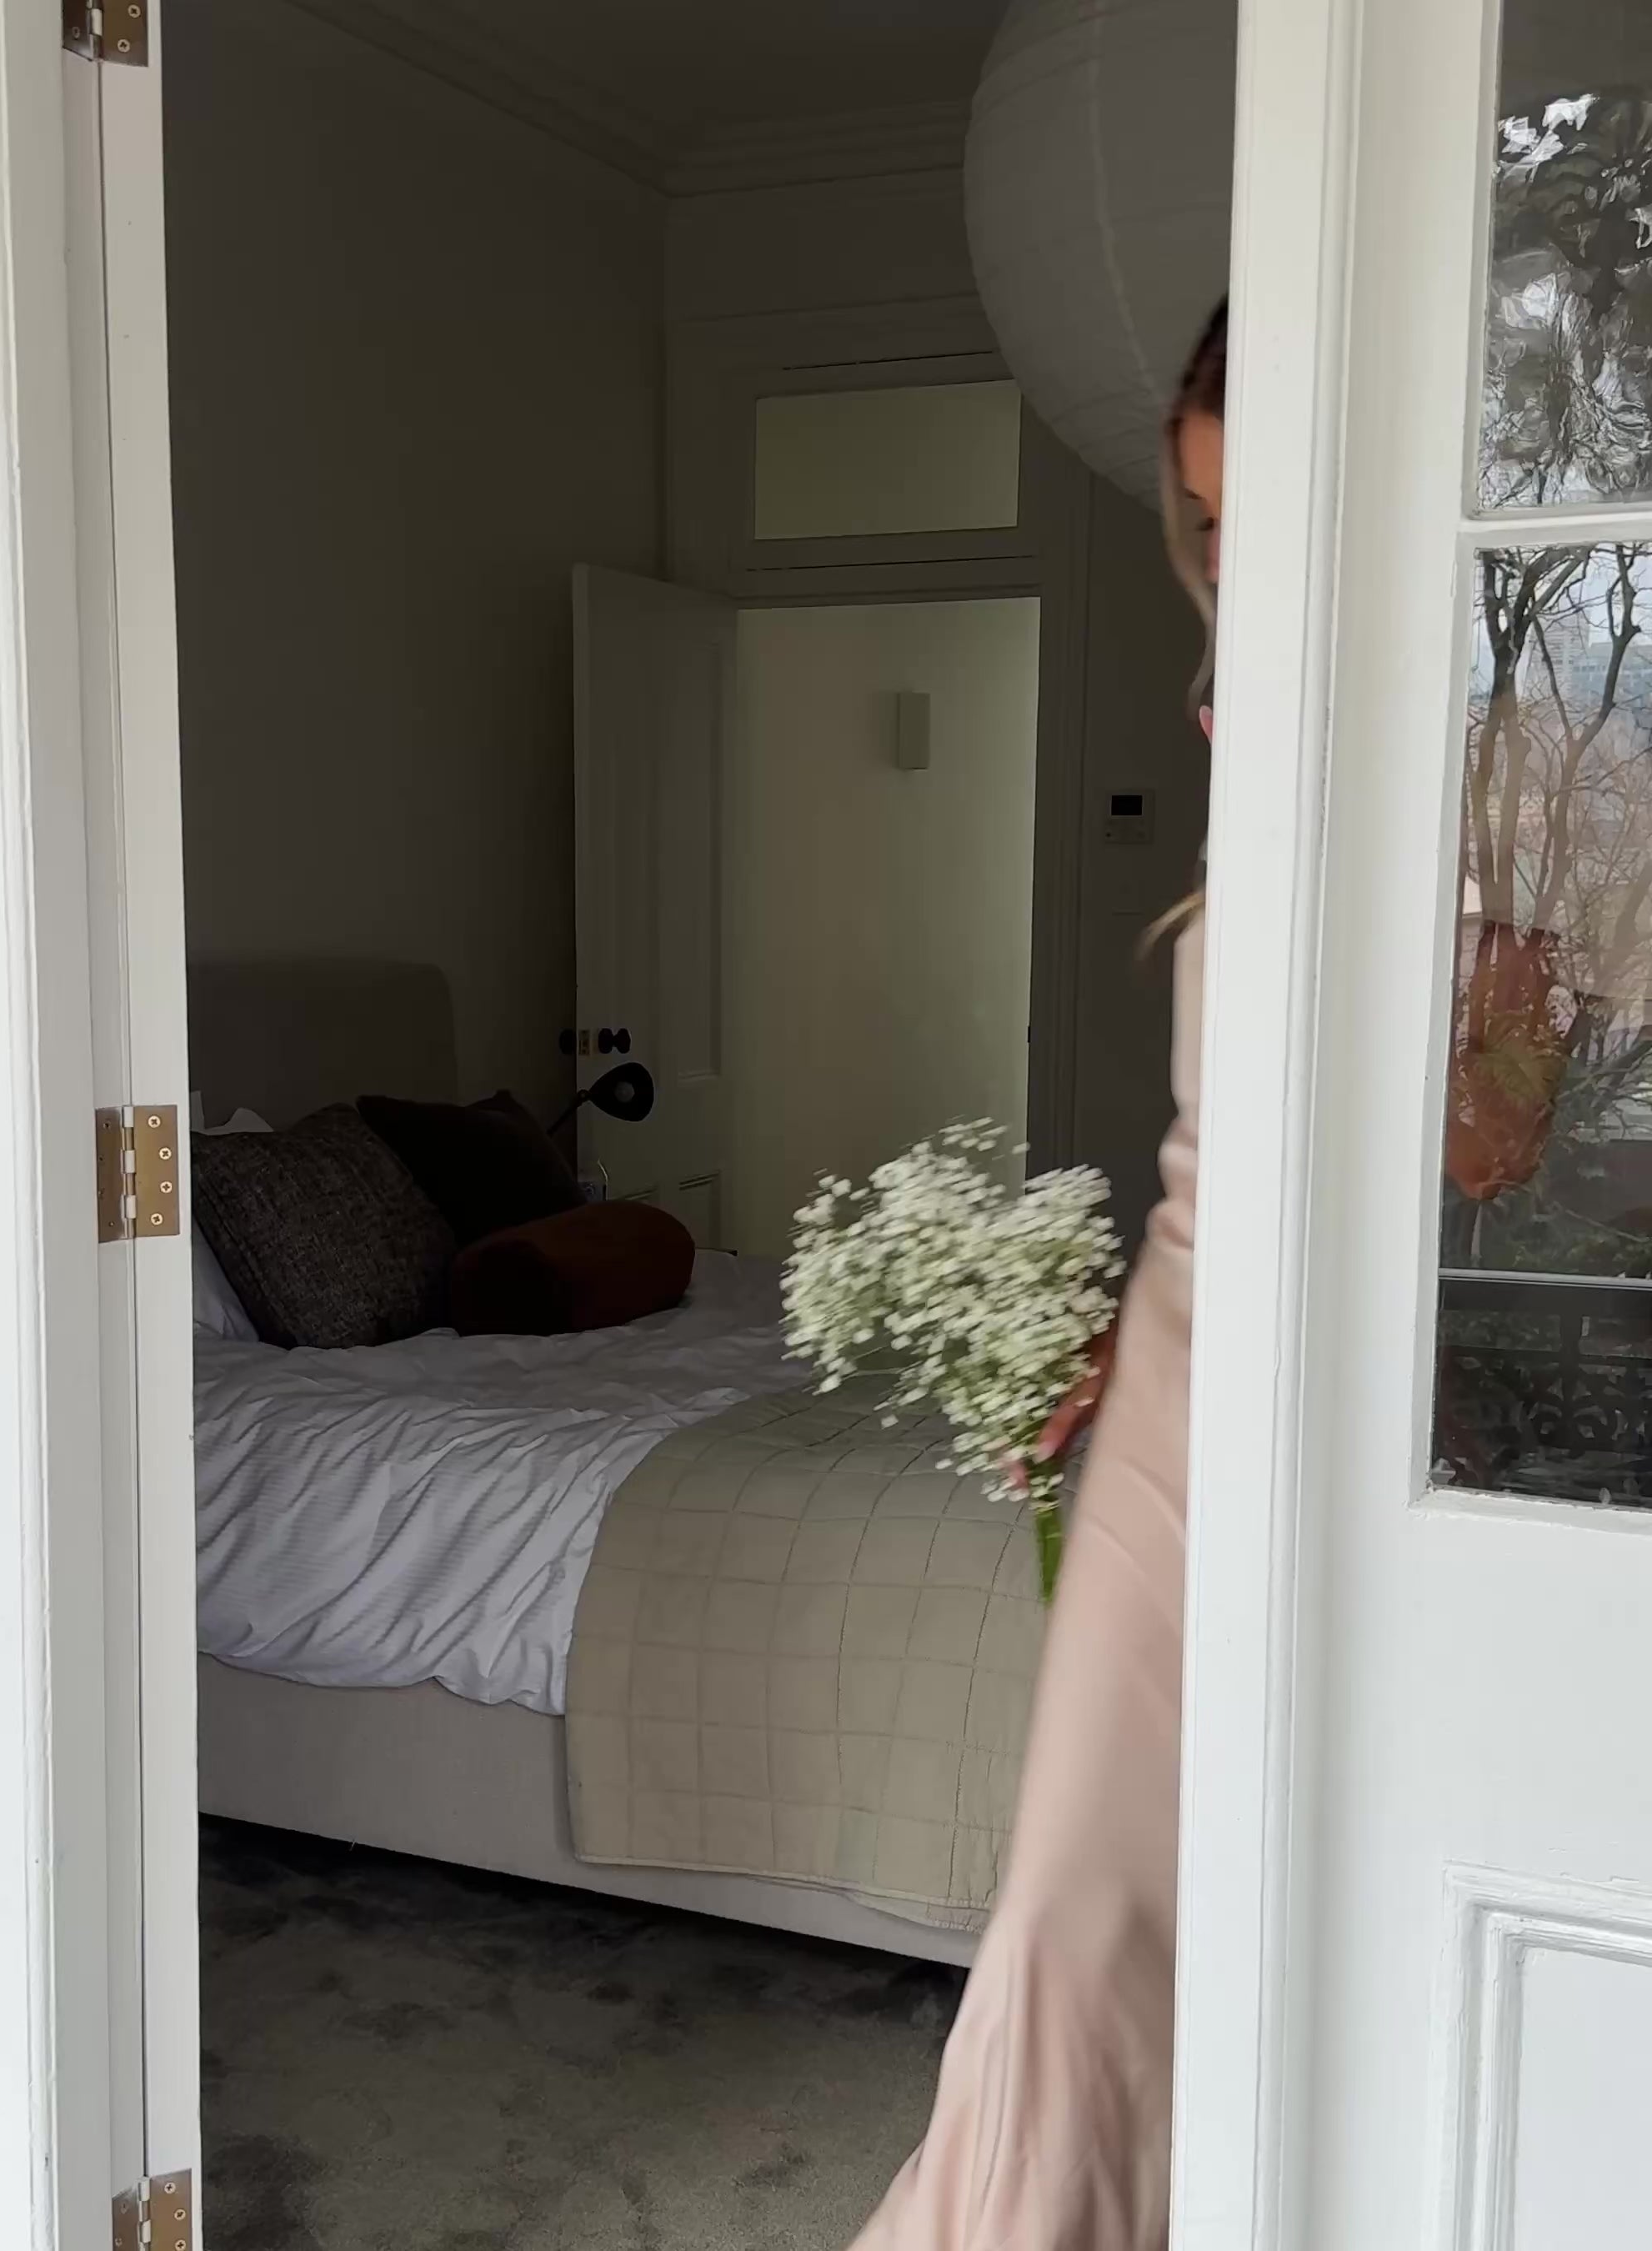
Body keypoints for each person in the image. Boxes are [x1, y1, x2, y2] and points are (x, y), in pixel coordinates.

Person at [847, 297, 1229, 2251]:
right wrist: (1102, 1336)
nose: (1227, 571)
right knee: (1082, 1921)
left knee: (1227, 1929)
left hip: (1337, 1398)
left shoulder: (1481, 739)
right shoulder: (1247, 694)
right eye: (1210, 526)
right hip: (1177, 1381)